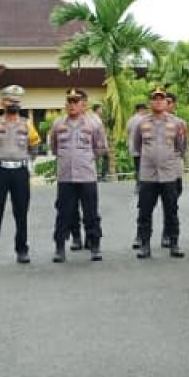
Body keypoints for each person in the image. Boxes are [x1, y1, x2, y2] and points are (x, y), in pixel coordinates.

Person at [49, 88, 109, 262]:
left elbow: (100, 147)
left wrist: (87, 159)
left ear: (84, 105)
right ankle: (60, 247)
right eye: (69, 102)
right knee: (63, 212)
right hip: (65, 176)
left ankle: (95, 245)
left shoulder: (93, 124)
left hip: (86, 175)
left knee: (91, 212)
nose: (72, 105)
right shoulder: (58, 124)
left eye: (76, 102)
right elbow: (54, 147)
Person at [0, 88, 36, 265]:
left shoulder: (27, 125)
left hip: (19, 172)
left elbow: (33, 149)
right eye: (10, 101)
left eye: (17, 101)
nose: (14, 105)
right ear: (3, 103)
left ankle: (22, 250)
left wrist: (22, 161)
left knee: (21, 213)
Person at [130, 87, 189, 258]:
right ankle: (145, 245)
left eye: (161, 99)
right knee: (145, 211)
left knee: (171, 210)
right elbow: (137, 145)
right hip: (148, 174)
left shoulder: (177, 123)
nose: (158, 102)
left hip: (169, 174)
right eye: (155, 99)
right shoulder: (141, 123)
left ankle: (174, 244)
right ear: (150, 102)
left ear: (166, 102)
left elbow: (181, 146)